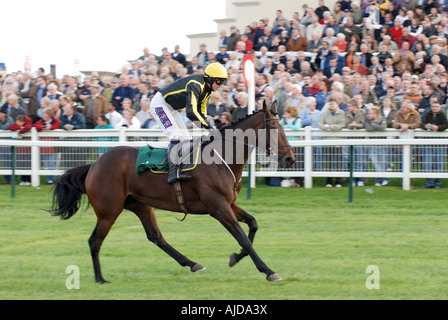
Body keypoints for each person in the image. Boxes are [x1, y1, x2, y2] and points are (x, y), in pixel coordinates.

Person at [149, 62, 228, 183]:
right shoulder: (195, 85)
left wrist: (209, 127)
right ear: (210, 78)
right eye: (219, 82)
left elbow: (201, 112)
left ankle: (183, 170)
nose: (220, 85)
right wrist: (209, 128)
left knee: (186, 139)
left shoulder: (207, 91)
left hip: (171, 108)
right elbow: (191, 113)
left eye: (222, 82)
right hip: (160, 105)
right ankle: (172, 173)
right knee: (176, 136)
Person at [318, 97, 346, 187]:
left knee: (338, 162)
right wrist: (324, 127)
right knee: (328, 162)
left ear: (337, 104)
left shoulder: (341, 113)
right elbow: (320, 124)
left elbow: (342, 124)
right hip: (327, 140)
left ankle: (338, 181)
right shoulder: (325, 113)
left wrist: (332, 127)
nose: (331, 106)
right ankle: (329, 181)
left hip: (338, 141)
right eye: (330, 104)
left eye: (333, 104)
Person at [420, 102, 448, 188]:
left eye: (436, 107)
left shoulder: (442, 114)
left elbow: (446, 124)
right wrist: (425, 126)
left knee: (439, 162)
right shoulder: (428, 113)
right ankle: (429, 182)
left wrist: (438, 128)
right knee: (427, 162)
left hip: (440, 142)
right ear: (431, 107)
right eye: (433, 107)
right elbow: (421, 123)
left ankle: (438, 182)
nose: (435, 108)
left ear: (440, 107)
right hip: (429, 141)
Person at [34, 108, 60, 184]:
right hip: (44, 147)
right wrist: (42, 127)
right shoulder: (41, 121)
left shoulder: (55, 121)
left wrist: (51, 127)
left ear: (49, 115)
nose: (43, 115)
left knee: (52, 162)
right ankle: (50, 178)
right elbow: (36, 125)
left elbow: (58, 126)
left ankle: (51, 179)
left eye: (45, 114)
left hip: (53, 146)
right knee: (46, 163)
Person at [364, 106, 389, 187]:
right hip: (373, 144)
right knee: (375, 162)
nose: (368, 115)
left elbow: (383, 128)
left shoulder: (382, 118)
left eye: (370, 113)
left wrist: (373, 124)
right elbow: (368, 128)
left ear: (376, 114)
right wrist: (376, 126)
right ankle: (385, 178)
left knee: (382, 163)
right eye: (368, 113)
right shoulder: (367, 120)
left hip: (382, 144)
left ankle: (379, 180)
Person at [8, 115, 33, 185]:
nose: (16, 123)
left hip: (27, 149)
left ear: (22, 122)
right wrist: (20, 127)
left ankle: (28, 180)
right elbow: (10, 127)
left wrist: (19, 132)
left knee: (27, 165)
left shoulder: (28, 124)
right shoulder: (18, 125)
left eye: (18, 122)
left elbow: (28, 127)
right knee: (21, 164)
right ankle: (23, 180)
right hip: (20, 149)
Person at [0, 108, 14, 184]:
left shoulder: (10, 119)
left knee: (11, 162)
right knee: (5, 162)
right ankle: (7, 178)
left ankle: (13, 179)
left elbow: (7, 127)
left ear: (4, 114)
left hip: (10, 144)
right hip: (2, 145)